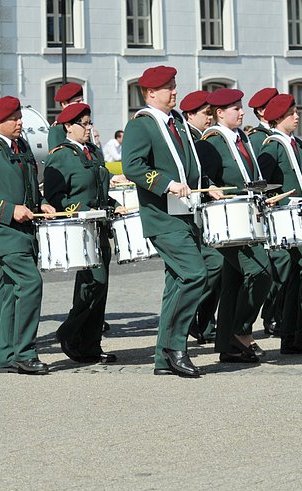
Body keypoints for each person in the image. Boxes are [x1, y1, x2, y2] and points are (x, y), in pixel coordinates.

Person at [121, 65, 208, 378]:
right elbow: (132, 166)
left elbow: (188, 164)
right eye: (168, 87)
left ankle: (163, 357)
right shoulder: (142, 124)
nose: (174, 91)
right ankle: (175, 346)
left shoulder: (177, 122)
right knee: (196, 274)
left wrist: (204, 185)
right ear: (150, 93)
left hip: (184, 211)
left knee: (177, 284)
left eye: (175, 85)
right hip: (162, 215)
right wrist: (166, 183)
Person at [0, 96, 56, 375]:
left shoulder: (20, 146)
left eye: (19, 117)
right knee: (30, 283)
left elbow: (27, 186)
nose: (20, 122)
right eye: (13, 119)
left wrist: (41, 204)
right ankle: (25, 353)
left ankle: (6, 355)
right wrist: (10, 210)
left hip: (24, 232)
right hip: (3, 232)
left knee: (9, 292)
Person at [44, 103, 123, 363]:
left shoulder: (91, 152)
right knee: (93, 284)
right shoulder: (61, 155)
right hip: (80, 228)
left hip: (99, 226)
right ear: (68, 126)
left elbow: (100, 190)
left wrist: (113, 204)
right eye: (84, 124)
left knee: (100, 287)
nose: (89, 128)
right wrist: (82, 209)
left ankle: (90, 344)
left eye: (90, 123)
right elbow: (55, 197)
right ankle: (70, 332)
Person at [195, 88, 268, 363]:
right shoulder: (211, 141)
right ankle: (241, 330)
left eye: (240, 107)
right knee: (261, 271)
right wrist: (210, 187)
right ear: (219, 113)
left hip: (249, 217)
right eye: (235, 108)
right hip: (228, 220)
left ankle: (228, 345)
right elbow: (201, 178)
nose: (241, 111)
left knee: (233, 282)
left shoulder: (242, 138)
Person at [257, 94, 302, 355]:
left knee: (300, 277)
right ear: (278, 117)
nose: (297, 116)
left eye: (297, 112)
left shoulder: (298, 144)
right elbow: (262, 183)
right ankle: (300, 334)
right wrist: (268, 198)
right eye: (292, 113)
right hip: (286, 221)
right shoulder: (271, 146)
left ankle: (293, 337)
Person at [179, 89, 223, 345]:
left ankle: (205, 322)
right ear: (190, 115)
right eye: (205, 114)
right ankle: (196, 319)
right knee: (210, 266)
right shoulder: (191, 140)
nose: (210, 118)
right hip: (188, 211)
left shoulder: (201, 138)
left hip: (204, 211)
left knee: (216, 267)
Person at [246, 87, 285, 339]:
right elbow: (260, 178)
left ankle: (277, 314)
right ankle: (270, 316)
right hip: (268, 210)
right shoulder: (260, 138)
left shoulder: (278, 134)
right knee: (277, 263)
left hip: (284, 209)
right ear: (262, 111)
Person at [47, 82, 84, 150]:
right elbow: (58, 157)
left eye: (82, 101)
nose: (81, 104)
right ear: (64, 104)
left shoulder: (84, 125)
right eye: (78, 101)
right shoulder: (58, 129)